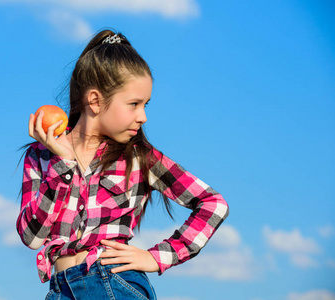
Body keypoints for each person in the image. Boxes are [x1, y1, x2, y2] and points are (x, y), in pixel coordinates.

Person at [17, 29, 229, 300]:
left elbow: (213, 204)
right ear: (95, 100)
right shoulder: (41, 155)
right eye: (134, 104)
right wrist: (64, 164)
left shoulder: (139, 157)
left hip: (112, 284)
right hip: (59, 291)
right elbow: (32, 237)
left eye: (145, 105)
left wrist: (157, 257)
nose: (143, 117)